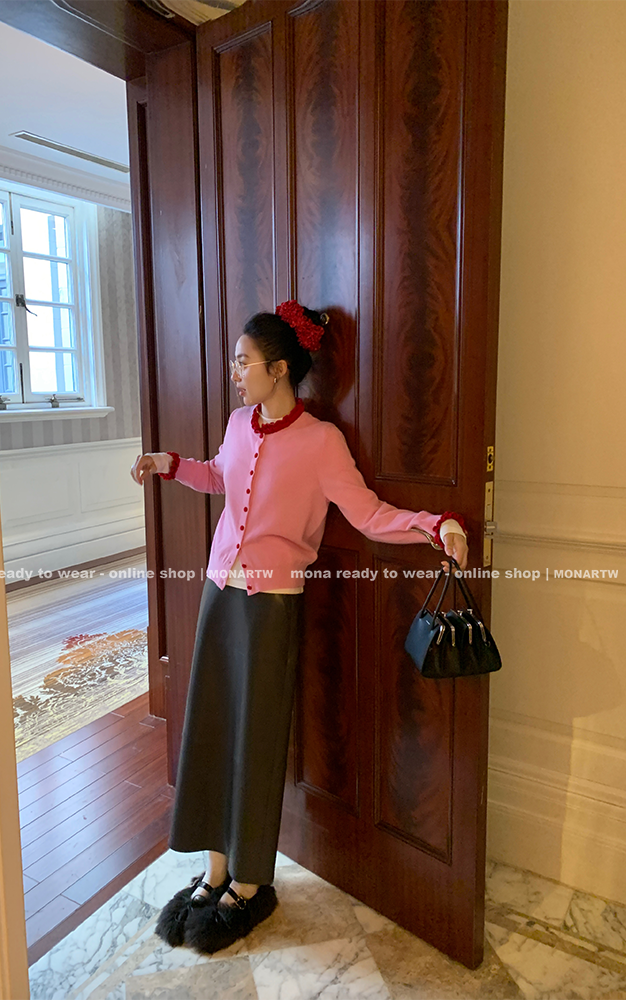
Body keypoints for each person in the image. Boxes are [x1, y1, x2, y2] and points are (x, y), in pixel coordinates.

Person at [130, 301, 468, 954]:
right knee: (210, 727)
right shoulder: (238, 424)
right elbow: (219, 475)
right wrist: (169, 463)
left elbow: (368, 514)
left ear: (279, 368)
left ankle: (249, 883)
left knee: (255, 739)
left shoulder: (321, 442)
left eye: (243, 362)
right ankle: (215, 870)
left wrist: (436, 525)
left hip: (271, 606)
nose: (235, 373)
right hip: (218, 595)